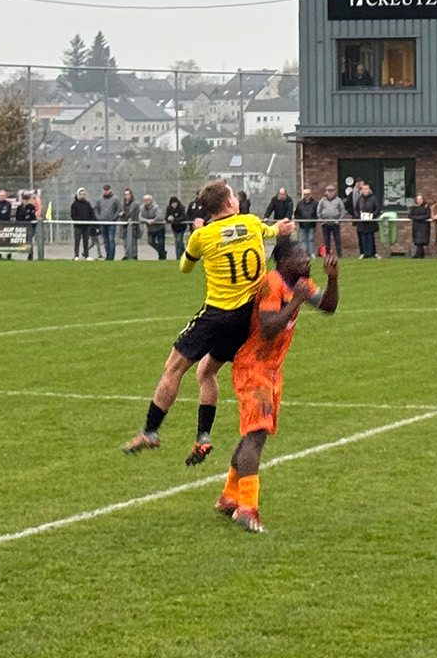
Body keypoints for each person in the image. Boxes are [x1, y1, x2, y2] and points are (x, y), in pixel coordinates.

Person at [123, 179, 290, 464]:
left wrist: (198, 237)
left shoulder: (203, 236)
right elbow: (274, 231)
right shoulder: (250, 223)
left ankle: (151, 431)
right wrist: (283, 229)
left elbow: (185, 267)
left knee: (173, 368)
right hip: (245, 319)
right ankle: (203, 437)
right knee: (206, 372)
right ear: (229, 203)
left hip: (217, 315)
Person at [215, 239, 340, 532]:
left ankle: (229, 497)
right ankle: (248, 507)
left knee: (255, 432)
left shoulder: (302, 283)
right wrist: (296, 300)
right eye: (300, 257)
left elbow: (329, 306)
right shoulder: (272, 283)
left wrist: (333, 280)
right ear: (283, 262)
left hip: (271, 368)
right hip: (253, 366)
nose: (307, 261)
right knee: (256, 433)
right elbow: (269, 328)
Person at [314, 184, 345, 258]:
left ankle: (339, 255)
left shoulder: (338, 200)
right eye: (329, 191)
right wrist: (321, 220)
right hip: (325, 224)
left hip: (335, 223)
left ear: (334, 192)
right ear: (326, 192)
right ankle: (327, 255)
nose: (330, 193)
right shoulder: (322, 201)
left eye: (332, 191)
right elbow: (318, 211)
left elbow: (342, 211)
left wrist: (339, 220)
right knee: (326, 240)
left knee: (337, 239)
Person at [352, 180, 380, 259]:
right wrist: (358, 216)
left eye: (366, 189)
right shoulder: (360, 199)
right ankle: (364, 253)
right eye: (363, 189)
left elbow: (377, 208)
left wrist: (373, 215)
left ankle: (371, 253)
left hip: (370, 223)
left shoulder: (373, 198)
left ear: (369, 190)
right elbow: (356, 209)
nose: (365, 190)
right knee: (363, 238)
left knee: (370, 238)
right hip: (362, 223)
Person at [93, 185, 122, 261]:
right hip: (102, 223)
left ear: (110, 190)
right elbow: (96, 209)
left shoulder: (115, 199)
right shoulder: (100, 200)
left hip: (111, 223)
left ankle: (111, 256)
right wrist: (99, 218)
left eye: (107, 190)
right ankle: (108, 256)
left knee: (111, 239)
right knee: (105, 240)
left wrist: (114, 218)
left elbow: (119, 209)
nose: (106, 191)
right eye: (105, 190)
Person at [70, 187, 97, 259]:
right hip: (78, 226)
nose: (82, 196)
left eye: (83, 194)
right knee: (77, 241)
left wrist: (90, 221)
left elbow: (91, 214)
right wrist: (79, 220)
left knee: (86, 241)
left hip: (86, 226)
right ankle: (76, 256)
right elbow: (73, 215)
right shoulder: (74, 204)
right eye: (81, 194)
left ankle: (86, 255)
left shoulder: (87, 204)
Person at [293, 187, 319, 253]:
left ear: (310, 194)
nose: (306, 196)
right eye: (305, 194)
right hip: (302, 225)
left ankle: (312, 254)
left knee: (311, 239)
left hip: (311, 225)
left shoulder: (315, 203)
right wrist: (300, 221)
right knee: (302, 240)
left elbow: (317, 213)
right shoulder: (300, 204)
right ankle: (303, 254)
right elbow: (297, 213)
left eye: (308, 194)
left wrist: (313, 220)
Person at [139, 190, 163, 260]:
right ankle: (162, 251)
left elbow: (159, 217)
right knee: (150, 242)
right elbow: (140, 217)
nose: (146, 201)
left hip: (159, 228)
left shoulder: (155, 207)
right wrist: (147, 221)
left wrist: (153, 221)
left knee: (161, 243)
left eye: (148, 200)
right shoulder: (142, 208)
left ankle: (162, 256)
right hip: (150, 229)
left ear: (151, 200)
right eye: (145, 200)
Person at [121, 189, 140, 260]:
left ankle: (134, 255)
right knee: (125, 241)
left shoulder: (135, 204)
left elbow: (137, 214)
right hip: (124, 224)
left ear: (131, 195)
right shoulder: (122, 203)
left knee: (133, 241)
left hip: (133, 225)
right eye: (125, 194)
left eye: (128, 194)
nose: (127, 196)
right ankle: (126, 255)